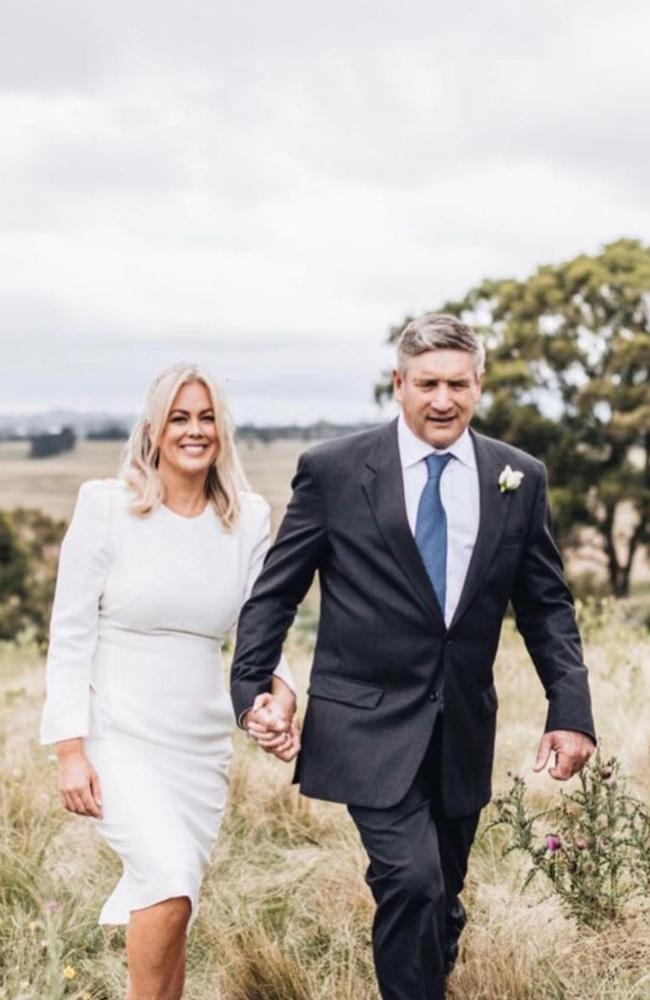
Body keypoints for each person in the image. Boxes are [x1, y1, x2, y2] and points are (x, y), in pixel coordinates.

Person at [231, 314, 596, 1000]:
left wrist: (569, 710)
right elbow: (275, 592)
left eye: (458, 384)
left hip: (461, 727)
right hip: (363, 723)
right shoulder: (334, 471)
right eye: (427, 383)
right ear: (398, 385)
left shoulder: (519, 476)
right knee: (413, 881)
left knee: (442, 896)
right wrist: (254, 685)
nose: (442, 400)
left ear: (479, 386)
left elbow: (547, 607)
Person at [40, 362, 296, 1000]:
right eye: (180, 417)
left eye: (207, 417)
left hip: (199, 745)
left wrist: (280, 697)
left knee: (176, 903)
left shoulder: (248, 518)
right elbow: (69, 632)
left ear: (222, 429)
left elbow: (259, 629)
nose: (194, 430)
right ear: (154, 428)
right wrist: (71, 750)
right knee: (168, 880)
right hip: (118, 732)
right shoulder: (107, 505)